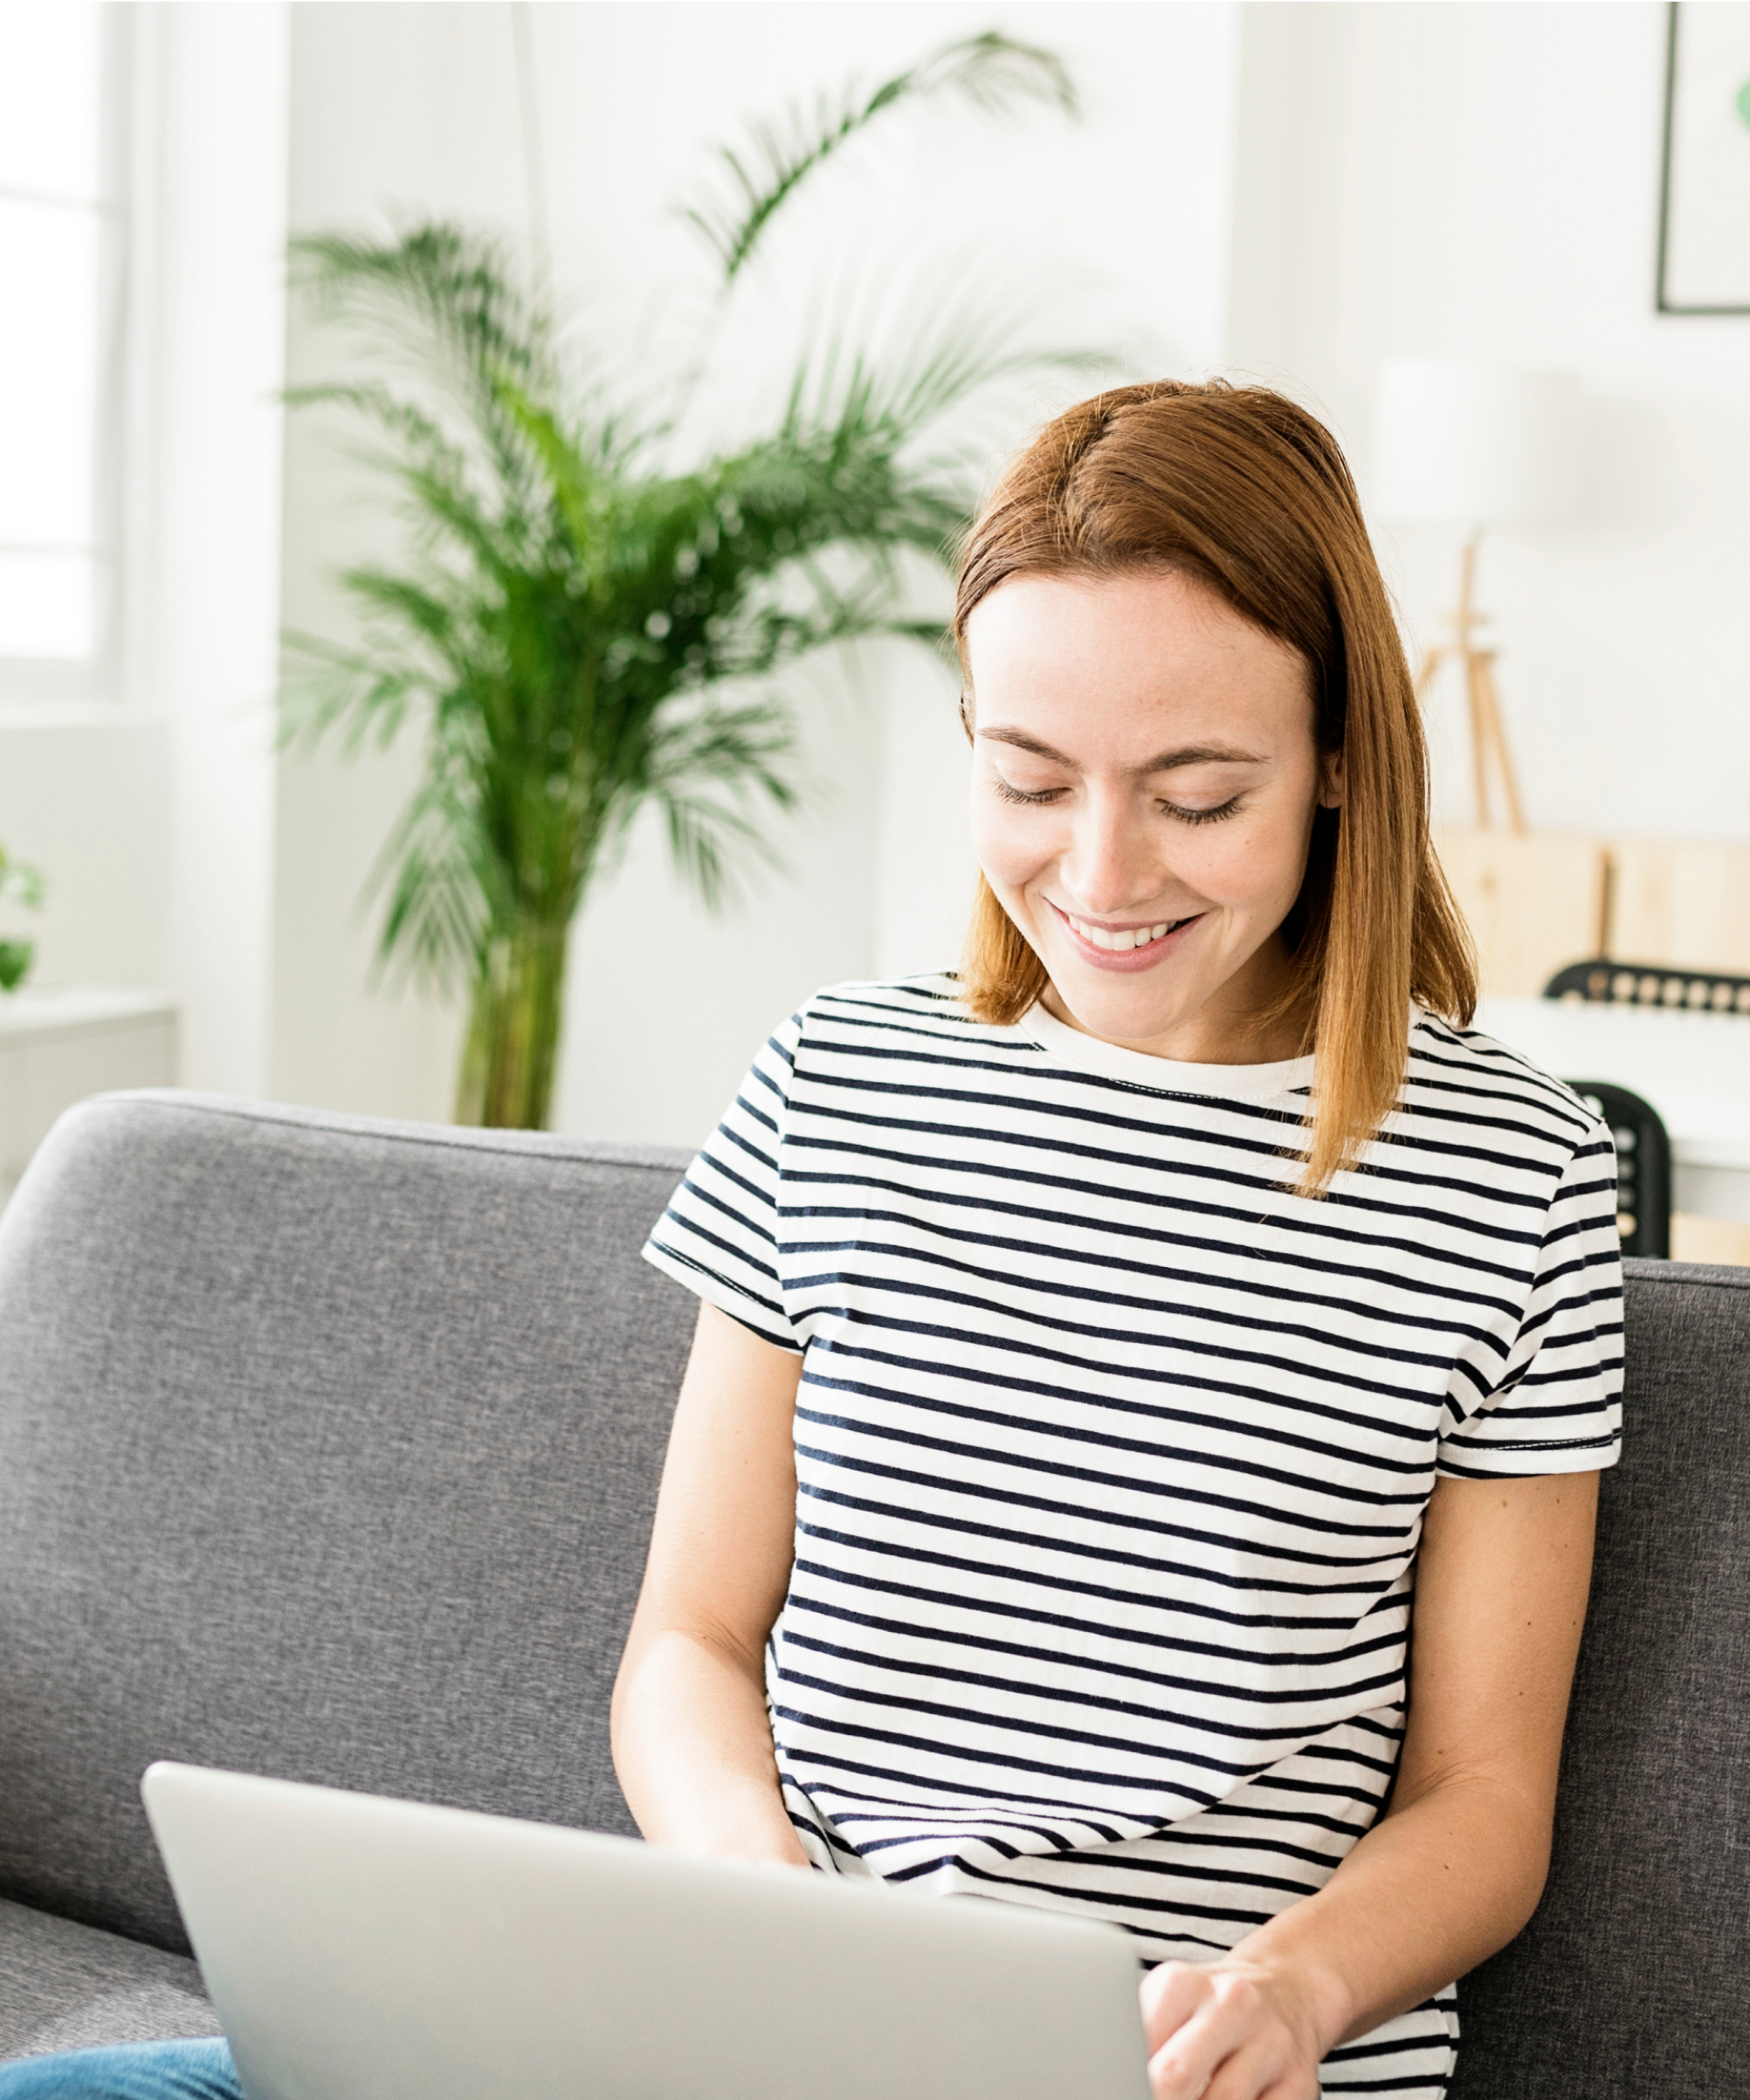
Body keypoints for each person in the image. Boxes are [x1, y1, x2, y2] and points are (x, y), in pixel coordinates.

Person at [0, 381, 1621, 2100]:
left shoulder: (1513, 1171)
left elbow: (1482, 1799)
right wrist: (747, 1901)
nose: (1100, 869)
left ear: (1344, 755)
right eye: (1028, 777)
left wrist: (1289, 1988)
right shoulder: (837, 1076)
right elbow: (691, 1638)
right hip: (762, 2037)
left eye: (1199, 795)